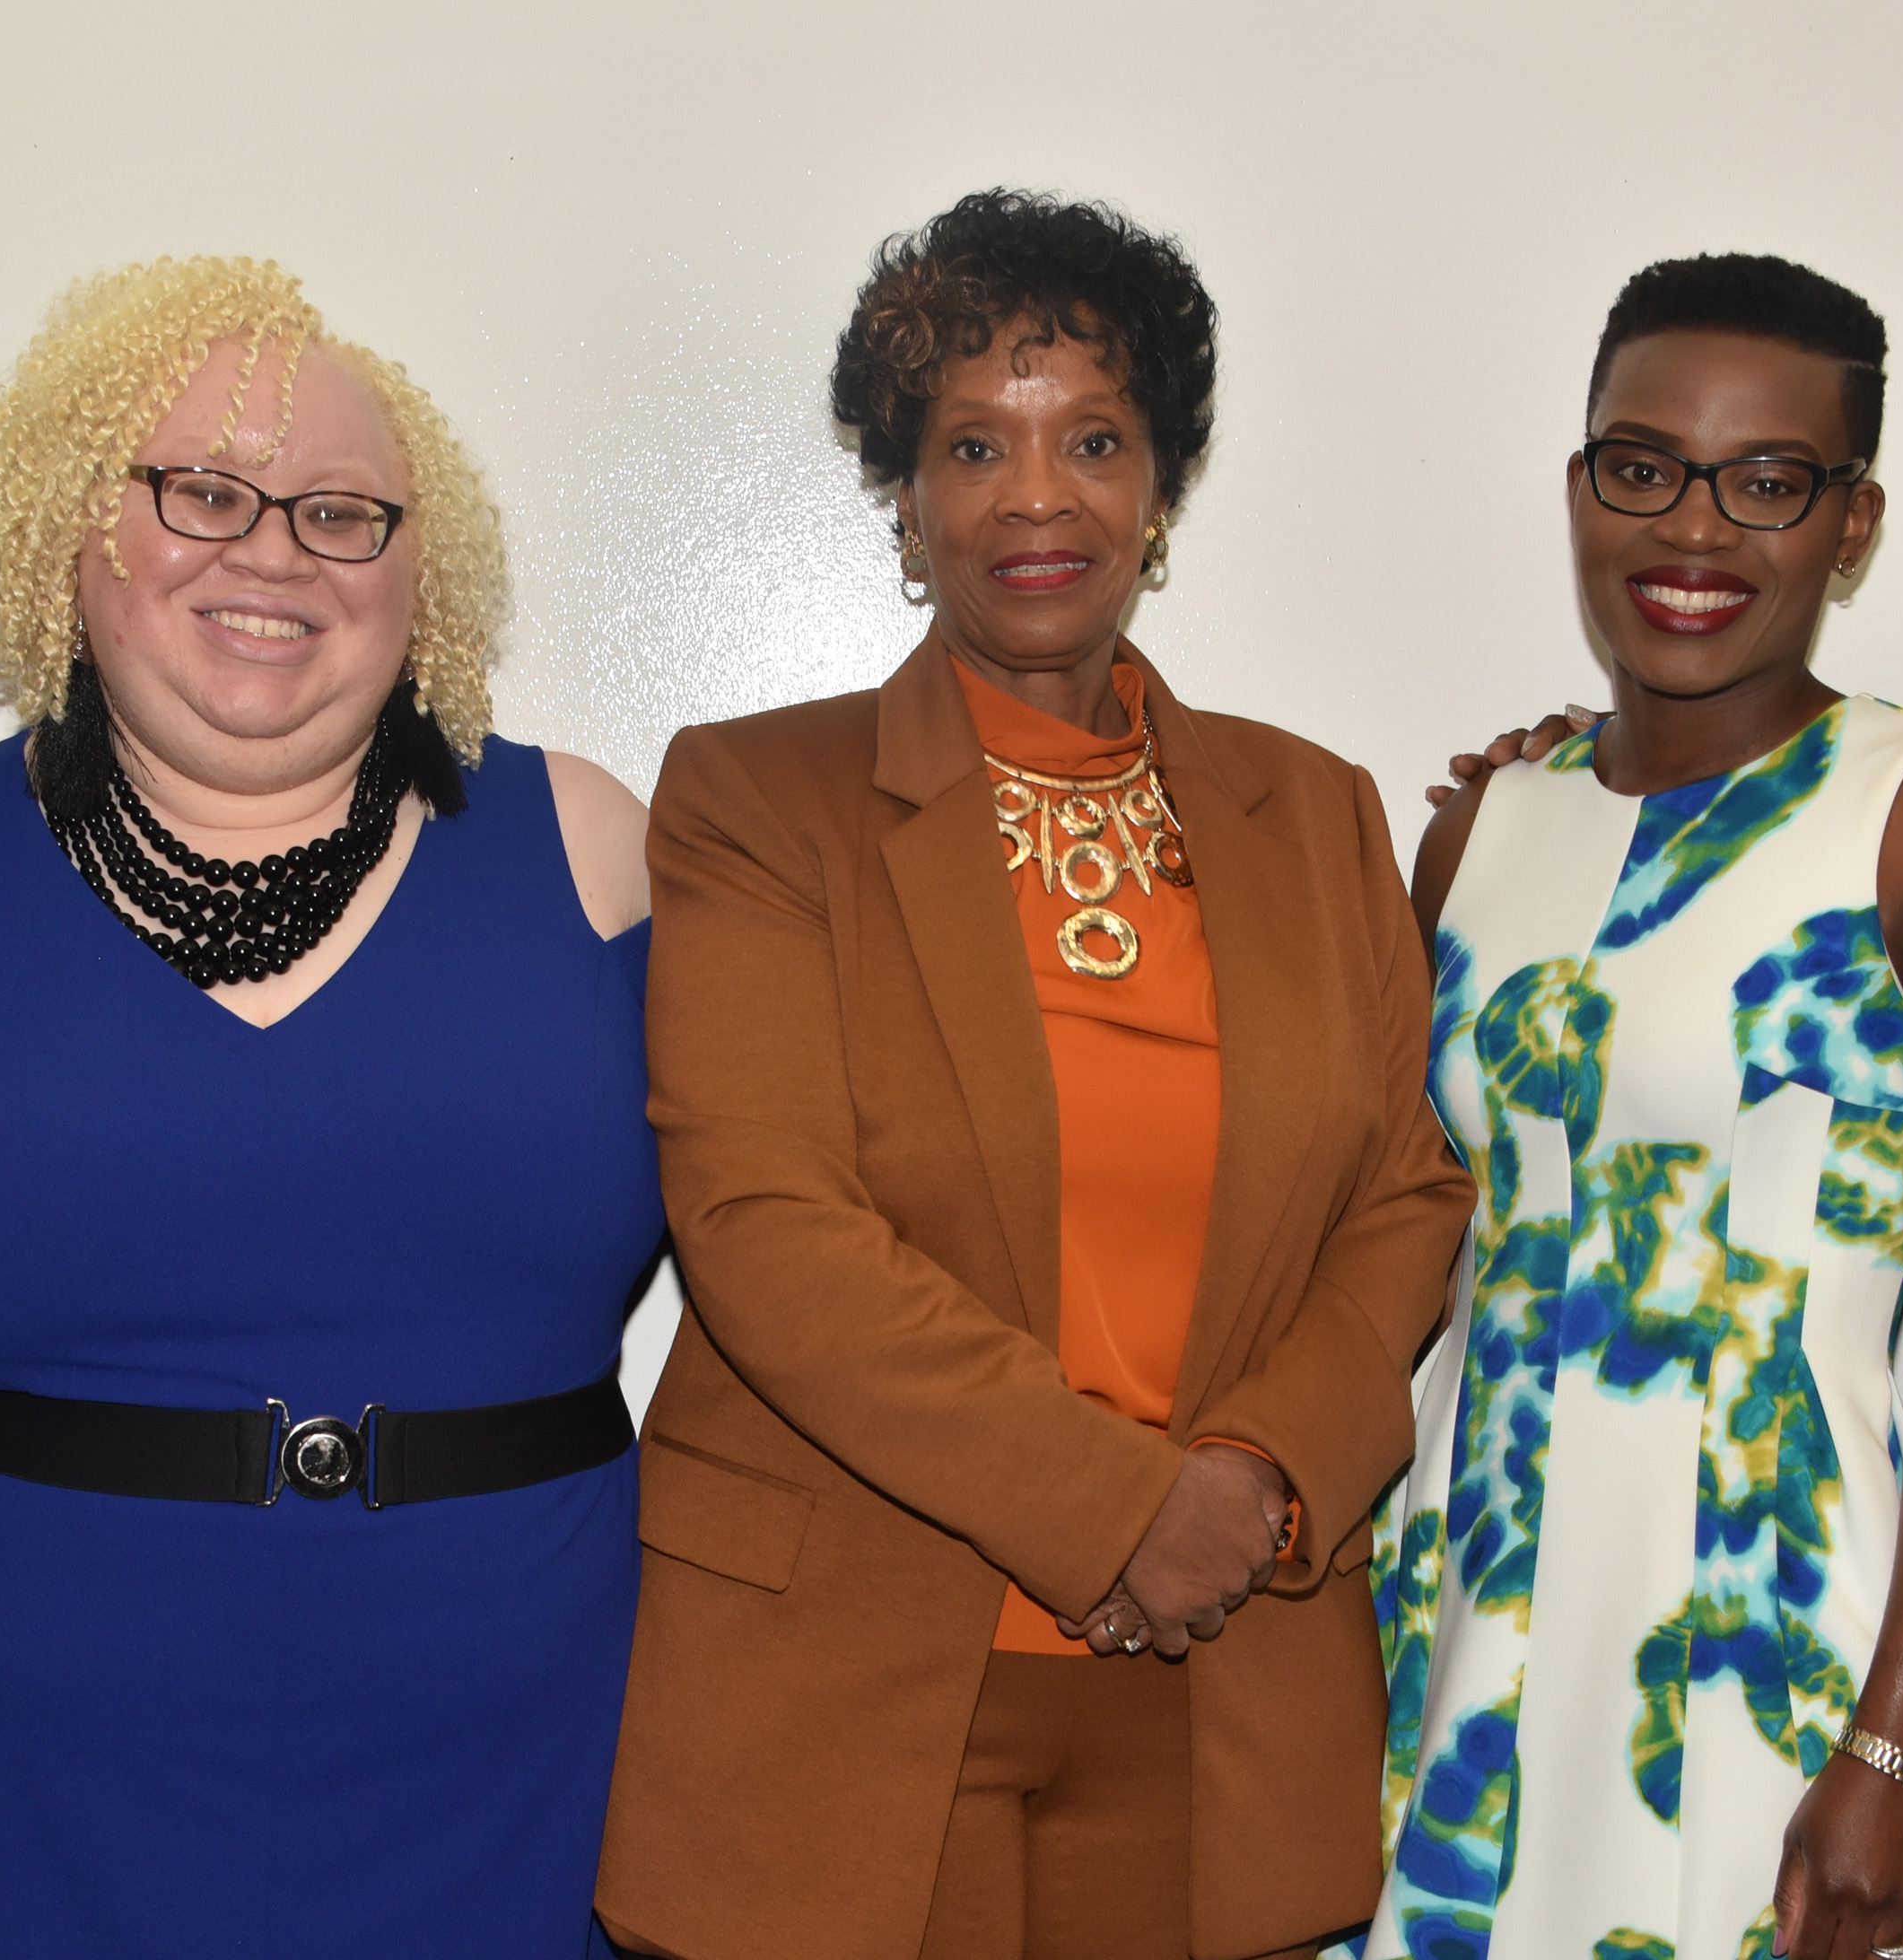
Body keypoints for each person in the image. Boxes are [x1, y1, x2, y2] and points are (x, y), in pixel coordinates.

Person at [596, 189, 1471, 1960]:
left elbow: (1406, 1195)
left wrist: (1254, 1484)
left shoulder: (1313, 813)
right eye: (970, 445)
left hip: (1225, 1664)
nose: (1033, 495)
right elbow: (763, 1225)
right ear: (905, 507)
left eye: (1091, 438)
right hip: (846, 1684)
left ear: (1160, 489)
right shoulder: (760, 801)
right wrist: (1117, 1509)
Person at [0, 257, 662, 1956]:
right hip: (27, 1774)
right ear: (75, 523)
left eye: (342, 511)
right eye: (201, 491)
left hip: (516, 1756)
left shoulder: (598, 857)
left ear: (427, 572)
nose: (269, 551)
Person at [1366, 255, 1903, 1960]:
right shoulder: (1483, 827)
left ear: (1854, 525)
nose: (1695, 529)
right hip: (1470, 1624)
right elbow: (1409, 1251)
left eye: (1769, 482)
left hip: (1793, 1635)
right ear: (1579, 486)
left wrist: (1897, 1752)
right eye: (1644, 465)